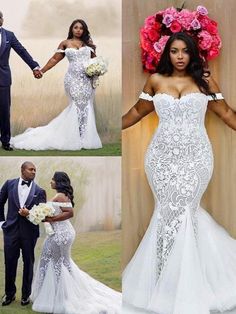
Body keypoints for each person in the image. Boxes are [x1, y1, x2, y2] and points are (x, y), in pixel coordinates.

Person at [122, 32, 236, 314]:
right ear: (167, 53)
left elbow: (227, 114)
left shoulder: (204, 81)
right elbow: (138, 111)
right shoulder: (155, 80)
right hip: (160, 159)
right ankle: (166, 283)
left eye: (186, 51)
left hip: (196, 158)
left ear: (193, 53)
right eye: (175, 51)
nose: (181, 56)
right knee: (165, 214)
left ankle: (189, 287)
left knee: (186, 211)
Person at [19, 171, 121, 313]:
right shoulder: (61, 195)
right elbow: (52, 214)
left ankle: (60, 297)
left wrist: (48, 219)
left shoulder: (60, 196)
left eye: (53, 179)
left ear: (58, 182)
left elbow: (69, 212)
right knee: (61, 262)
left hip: (61, 234)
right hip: (63, 233)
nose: (50, 181)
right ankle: (60, 294)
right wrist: (36, 215)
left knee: (52, 262)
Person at [11, 19, 102, 151]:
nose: (78, 30)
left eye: (81, 28)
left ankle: (84, 137)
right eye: (75, 27)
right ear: (71, 29)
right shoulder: (65, 43)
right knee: (76, 105)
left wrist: (97, 70)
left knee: (86, 106)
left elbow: (95, 61)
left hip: (87, 81)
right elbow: (55, 59)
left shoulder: (88, 45)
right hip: (72, 80)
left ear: (84, 30)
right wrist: (42, 70)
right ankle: (72, 138)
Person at [0, 161, 46, 307]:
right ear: (22, 170)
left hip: (29, 233)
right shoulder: (9, 184)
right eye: (31, 169)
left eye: (35, 170)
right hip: (10, 232)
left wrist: (29, 213)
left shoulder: (40, 191)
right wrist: (1, 222)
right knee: (10, 263)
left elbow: (42, 215)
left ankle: (26, 295)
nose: (33, 172)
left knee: (28, 263)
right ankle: (9, 294)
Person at [0, 11, 42, 151]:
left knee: (4, 111)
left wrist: (34, 66)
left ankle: (5, 141)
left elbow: (22, 51)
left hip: (3, 79)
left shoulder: (9, 35)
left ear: (2, 20)